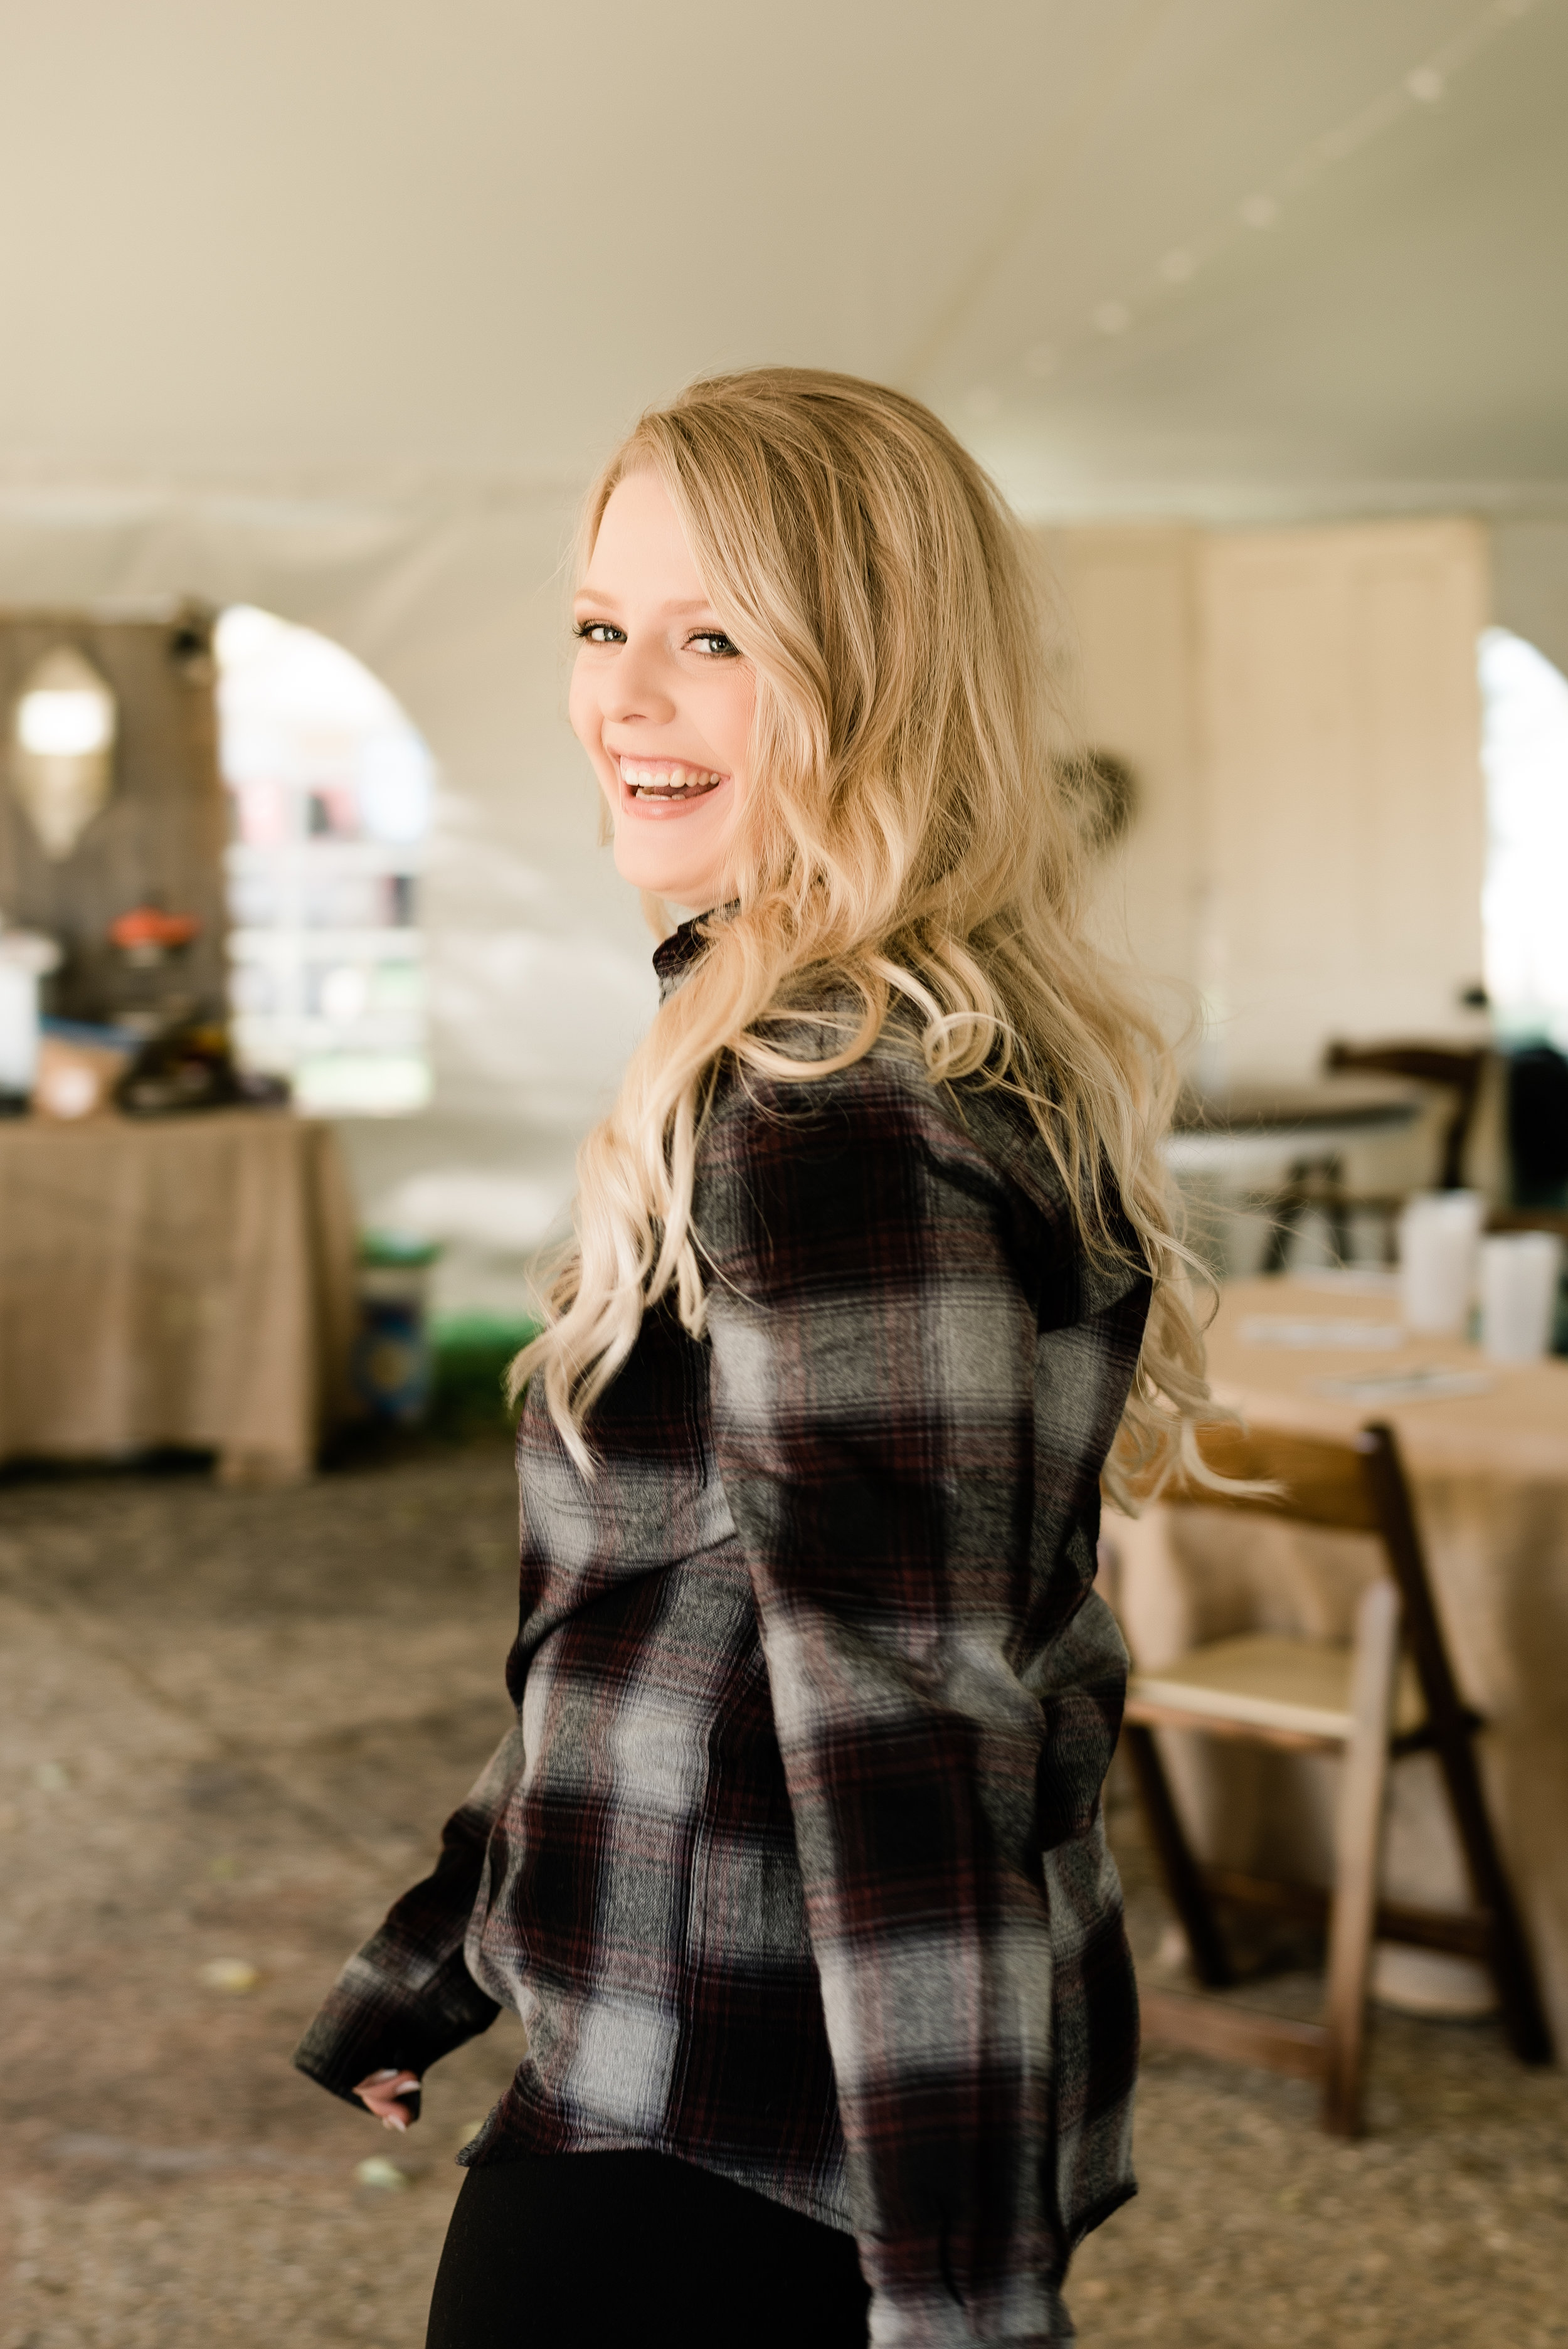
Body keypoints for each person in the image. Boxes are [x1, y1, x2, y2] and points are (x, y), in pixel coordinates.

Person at [294, 367, 1214, 2348]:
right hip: (666, 2047)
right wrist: (436, 1955)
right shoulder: (784, 1048)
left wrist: (961, 2298)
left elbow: (910, 1727)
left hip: (746, 2127)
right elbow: (654, 1610)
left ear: (881, 678)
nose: (624, 697)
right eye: (601, 626)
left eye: (713, 637)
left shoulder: (833, 1112)